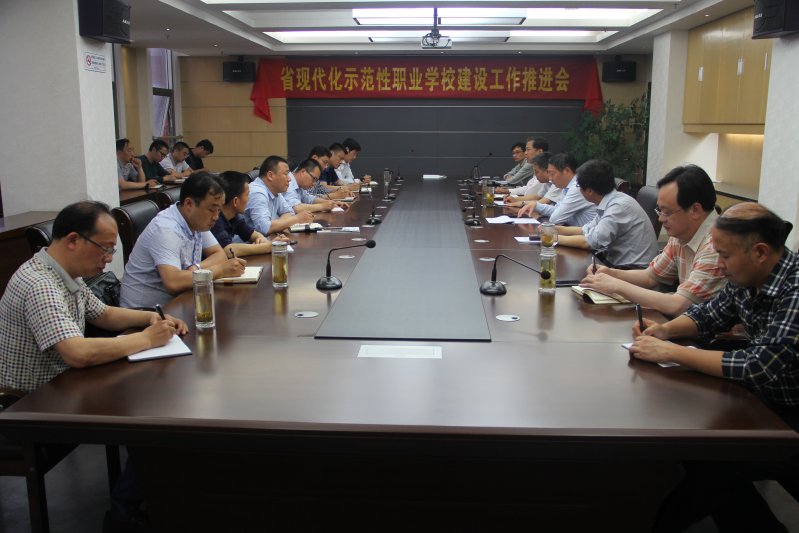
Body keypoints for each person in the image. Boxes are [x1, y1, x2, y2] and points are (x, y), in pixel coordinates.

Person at [630, 202, 798, 533]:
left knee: (714, 464)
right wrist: (665, 331)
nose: (719, 265)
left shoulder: (794, 290)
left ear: (760, 252)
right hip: (769, 399)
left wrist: (672, 352)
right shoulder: (748, 274)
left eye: (724, 255)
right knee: (696, 447)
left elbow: (757, 366)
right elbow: (709, 315)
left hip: (790, 411)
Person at [0, 200, 188, 393]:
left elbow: (103, 314)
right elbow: (78, 353)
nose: (109, 258)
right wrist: (147, 338)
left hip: (64, 383)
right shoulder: (40, 284)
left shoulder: (65, 272)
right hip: (31, 400)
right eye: (105, 248)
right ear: (73, 240)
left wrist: (150, 317)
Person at [580, 165, 725, 317]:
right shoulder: (681, 233)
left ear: (695, 210)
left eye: (667, 212)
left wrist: (616, 286)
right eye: (660, 211)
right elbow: (651, 276)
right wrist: (610, 273)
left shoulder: (716, 246)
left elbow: (678, 305)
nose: (661, 219)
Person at [120, 172, 246, 308]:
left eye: (219, 211)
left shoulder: (196, 221)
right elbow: (173, 282)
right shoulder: (166, 229)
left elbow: (219, 254)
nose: (216, 217)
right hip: (146, 312)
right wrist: (220, 270)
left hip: (179, 302)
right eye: (212, 210)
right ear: (189, 204)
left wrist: (197, 268)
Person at [556, 159, 659, 268]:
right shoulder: (610, 201)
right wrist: (555, 229)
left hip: (633, 269)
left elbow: (590, 242)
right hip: (617, 263)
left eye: (579, 186)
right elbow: (587, 229)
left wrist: (553, 238)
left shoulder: (618, 207)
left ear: (589, 191)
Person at [211, 171, 289, 258]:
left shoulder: (234, 217)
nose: (249, 199)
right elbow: (228, 250)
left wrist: (261, 240)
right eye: (247, 195)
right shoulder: (214, 219)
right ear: (235, 201)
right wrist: (267, 247)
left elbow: (252, 234)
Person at [517, 152, 596, 226]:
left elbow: (555, 219)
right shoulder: (567, 187)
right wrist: (536, 205)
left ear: (567, 171)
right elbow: (557, 210)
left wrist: (563, 215)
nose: (550, 178)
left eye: (552, 174)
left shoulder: (577, 187)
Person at [243, 155, 314, 236]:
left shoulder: (275, 190)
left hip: (268, 239)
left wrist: (276, 225)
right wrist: (297, 219)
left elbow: (289, 213)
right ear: (270, 176)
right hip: (246, 243)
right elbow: (265, 228)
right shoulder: (257, 193)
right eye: (286, 174)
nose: (289, 179)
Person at [285, 158, 349, 213]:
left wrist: (331, 203)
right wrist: (322, 206)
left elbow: (309, 198)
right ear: (303, 172)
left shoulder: (300, 184)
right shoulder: (288, 181)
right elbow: (295, 207)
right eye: (314, 179)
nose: (314, 184)